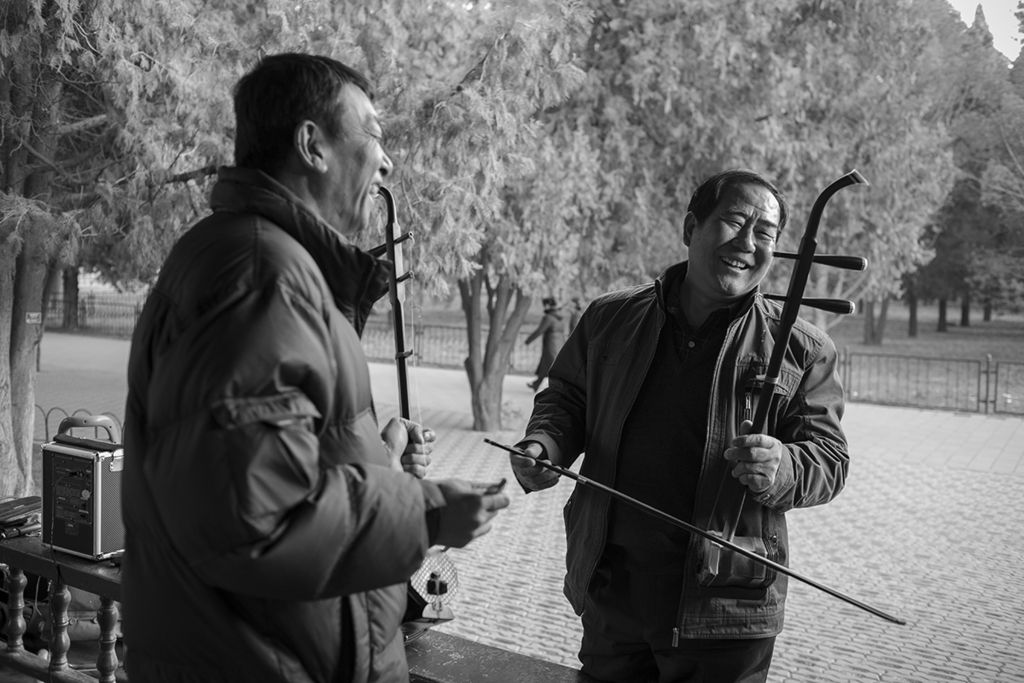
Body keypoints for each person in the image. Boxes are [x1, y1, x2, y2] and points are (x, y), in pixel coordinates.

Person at [122, 53, 510, 683]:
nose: (385, 162)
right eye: (375, 135)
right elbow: (256, 519)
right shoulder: (259, 278)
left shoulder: (264, 263)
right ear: (312, 144)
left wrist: (377, 458)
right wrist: (425, 510)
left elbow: (266, 462)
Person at [509, 169, 849, 682]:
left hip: (726, 606)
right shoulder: (609, 319)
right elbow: (567, 399)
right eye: (734, 221)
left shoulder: (802, 348)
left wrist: (784, 466)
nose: (747, 243)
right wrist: (544, 445)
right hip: (613, 589)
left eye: (765, 234)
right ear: (691, 227)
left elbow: (830, 459)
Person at [524, 296, 565, 391]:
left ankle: (557, 388)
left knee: (551, 366)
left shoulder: (548, 318)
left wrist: (528, 340)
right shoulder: (559, 318)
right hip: (559, 344)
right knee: (546, 365)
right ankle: (536, 384)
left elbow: (540, 331)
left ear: (547, 305)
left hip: (551, 345)